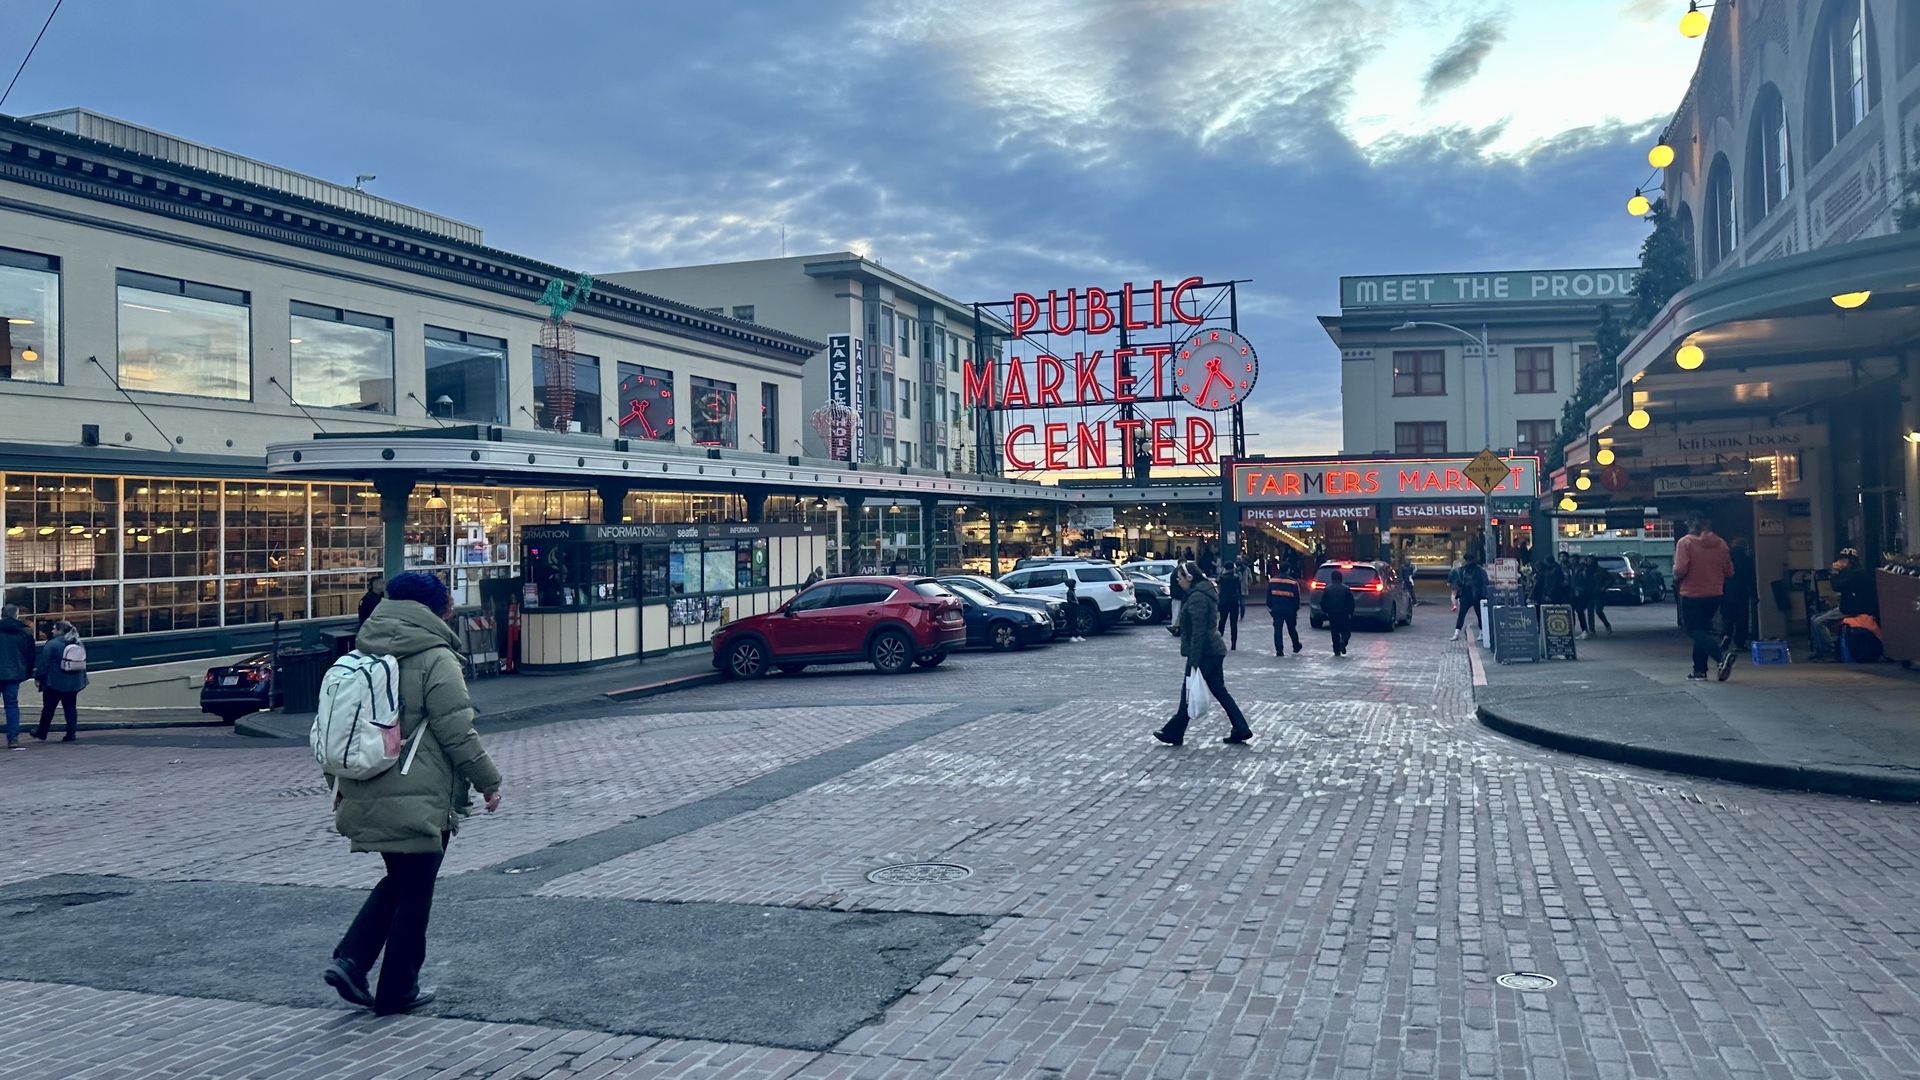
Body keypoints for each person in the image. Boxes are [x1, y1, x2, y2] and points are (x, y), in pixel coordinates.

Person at [327, 571, 503, 1016]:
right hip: (420, 792)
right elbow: (457, 729)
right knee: (415, 891)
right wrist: (488, 780)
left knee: (401, 881)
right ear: (435, 608)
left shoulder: (364, 647)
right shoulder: (435, 656)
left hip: (369, 782)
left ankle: (353, 960)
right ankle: (394, 987)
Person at [1153, 561, 1252, 746]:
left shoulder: (1197, 596)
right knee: (1219, 691)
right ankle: (1241, 728)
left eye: (1179, 577)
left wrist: (1194, 660)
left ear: (1189, 578)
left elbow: (1199, 631)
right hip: (1214, 649)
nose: (1178, 581)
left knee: (1188, 693)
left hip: (1205, 651)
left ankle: (1173, 731)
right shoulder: (1202, 592)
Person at [1673, 512, 1736, 681]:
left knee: (1693, 630)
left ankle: (1720, 656)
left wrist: (1676, 576)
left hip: (1691, 593)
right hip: (1714, 593)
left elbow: (1680, 569)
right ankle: (1699, 670)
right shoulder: (1721, 544)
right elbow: (1729, 571)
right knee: (1702, 630)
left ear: (1690, 525)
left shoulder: (1685, 543)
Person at [1812, 550, 1876, 658]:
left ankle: (1829, 652)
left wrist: (1834, 572)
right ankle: (1820, 651)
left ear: (1850, 561)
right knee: (1814, 618)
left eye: (1842, 560)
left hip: (1852, 609)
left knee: (1818, 622)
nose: (1839, 562)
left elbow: (1837, 586)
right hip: (1847, 606)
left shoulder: (1856, 574)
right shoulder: (1851, 573)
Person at [30, 620, 85, 743]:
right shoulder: (78, 642)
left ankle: (42, 732)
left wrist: (38, 677)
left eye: (54, 629)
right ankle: (71, 733)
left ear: (60, 631)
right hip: (74, 682)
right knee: (70, 708)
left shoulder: (52, 644)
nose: (52, 631)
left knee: (48, 708)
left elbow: (44, 663)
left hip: (55, 681)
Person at [0, 605, 35, 750]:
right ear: (17, 615)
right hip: (14, 673)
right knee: (12, 705)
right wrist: (27, 672)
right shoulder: (25, 632)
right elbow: (30, 655)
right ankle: (13, 738)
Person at [1266, 560, 1303, 657]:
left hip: (1277, 609)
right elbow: (1297, 598)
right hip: (1289, 610)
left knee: (1278, 630)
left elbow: (1268, 597)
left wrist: (1271, 608)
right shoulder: (1293, 582)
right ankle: (1296, 645)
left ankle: (1279, 650)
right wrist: (1296, 610)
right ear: (1288, 570)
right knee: (1291, 628)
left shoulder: (1272, 581)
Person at [1724, 538, 1756, 649]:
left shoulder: (1726, 558)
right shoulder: (1747, 560)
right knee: (1741, 619)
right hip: (1741, 592)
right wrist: (1754, 594)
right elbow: (1751, 578)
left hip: (1726, 592)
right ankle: (1740, 642)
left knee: (1727, 617)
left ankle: (1726, 636)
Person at [1449, 556, 1488, 641]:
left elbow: (1460, 582)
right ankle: (1480, 632)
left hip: (1473, 596)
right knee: (1473, 615)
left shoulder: (1466, 570)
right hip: (1472, 595)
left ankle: (1457, 633)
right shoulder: (1476, 570)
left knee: (1467, 615)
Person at [1322, 568, 1356, 657]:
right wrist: (1350, 613)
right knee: (1346, 631)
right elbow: (1351, 603)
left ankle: (1336, 650)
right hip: (1344, 613)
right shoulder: (1346, 589)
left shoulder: (1327, 589)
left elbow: (1323, 602)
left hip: (1332, 613)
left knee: (1334, 632)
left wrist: (1326, 611)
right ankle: (1343, 641)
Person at [1216, 557, 1244, 650]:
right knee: (1233, 623)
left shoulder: (1222, 577)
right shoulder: (1236, 577)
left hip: (1224, 601)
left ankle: (1219, 640)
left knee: (1222, 621)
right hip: (1234, 600)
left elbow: (1217, 583)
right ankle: (1233, 643)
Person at [1584, 555, 1614, 636]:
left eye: (1591, 560)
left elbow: (1610, 579)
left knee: (1598, 610)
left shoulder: (1601, 570)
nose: (1589, 562)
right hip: (1589, 593)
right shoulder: (1585, 570)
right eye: (1588, 560)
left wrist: (1604, 587)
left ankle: (1607, 624)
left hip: (1599, 593)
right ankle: (1592, 630)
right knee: (1590, 611)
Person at [1570, 556, 1599, 639]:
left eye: (1574, 560)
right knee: (1574, 611)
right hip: (1574, 593)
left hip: (1582, 593)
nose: (1572, 562)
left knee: (1580, 610)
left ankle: (1585, 630)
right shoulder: (1572, 569)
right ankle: (1581, 630)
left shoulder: (1582, 569)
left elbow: (1587, 580)